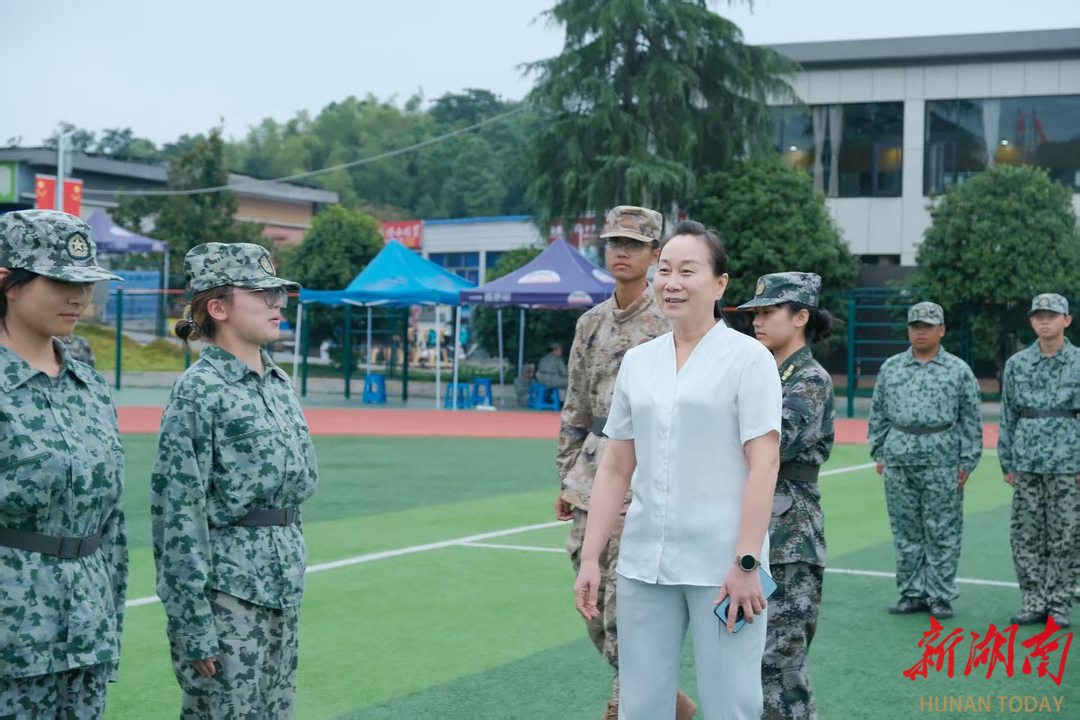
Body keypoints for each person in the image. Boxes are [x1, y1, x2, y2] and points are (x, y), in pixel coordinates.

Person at [574, 220, 782, 719]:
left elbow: (765, 464)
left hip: (723, 566)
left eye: (688, 271)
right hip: (645, 561)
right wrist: (590, 558)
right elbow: (616, 466)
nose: (671, 282)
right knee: (641, 703)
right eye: (664, 270)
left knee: (731, 703)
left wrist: (747, 564)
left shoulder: (749, 359)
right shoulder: (639, 361)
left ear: (719, 284)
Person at [151, 243, 319, 718]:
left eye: (278, 293)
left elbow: (292, 493)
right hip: (228, 593)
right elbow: (177, 514)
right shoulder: (199, 390)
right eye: (261, 293)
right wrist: (191, 622)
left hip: (283, 582)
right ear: (218, 308)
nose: (276, 302)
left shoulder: (277, 383)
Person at [556, 206, 688, 720]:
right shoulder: (591, 323)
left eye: (634, 244)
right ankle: (668, 700)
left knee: (625, 604)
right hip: (594, 473)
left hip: (649, 475)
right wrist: (567, 477)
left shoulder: (673, 320)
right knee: (591, 604)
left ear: (655, 255)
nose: (622, 252)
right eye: (614, 243)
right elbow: (575, 406)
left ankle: (625, 703)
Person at [0, 210, 128, 719]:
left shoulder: (89, 386)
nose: (79, 297)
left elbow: (111, 524)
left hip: (87, 634)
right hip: (11, 639)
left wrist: (111, 623)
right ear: (9, 284)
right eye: (61, 282)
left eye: (86, 283)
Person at [738, 272, 835, 720]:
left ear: (801, 317)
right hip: (755, 532)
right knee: (746, 667)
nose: (757, 321)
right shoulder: (763, 372)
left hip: (789, 539)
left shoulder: (809, 380)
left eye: (768, 311)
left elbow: (770, 442)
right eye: (755, 313)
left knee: (780, 669)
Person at [868, 301, 982, 620]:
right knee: (906, 531)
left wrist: (967, 462)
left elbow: (971, 420)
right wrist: (880, 452)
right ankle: (912, 592)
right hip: (899, 459)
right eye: (916, 326)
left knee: (942, 531)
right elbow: (878, 414)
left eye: (928, 326)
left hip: (942, 460)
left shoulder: (958, 370)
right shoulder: (891, 367)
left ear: (941, 330)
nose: (921, 331)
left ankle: (940, 595)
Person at [999, 293, 1079, 628]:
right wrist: (1007, 462)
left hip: (1068, 465)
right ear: (1032, 321)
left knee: (1067, 536)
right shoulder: (1018, 364)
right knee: (1026, 536)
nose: (1044, 321)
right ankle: (1033, 602)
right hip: (1027, 464)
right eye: (1039, 316)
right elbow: (1008, 415)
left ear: (1066, 320)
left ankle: (1059, 604)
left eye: (1052, 315)